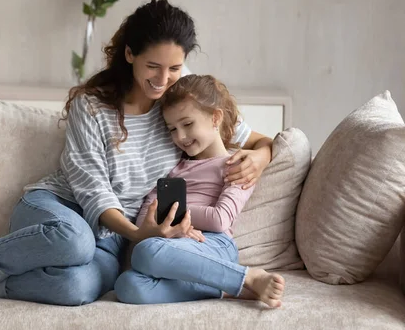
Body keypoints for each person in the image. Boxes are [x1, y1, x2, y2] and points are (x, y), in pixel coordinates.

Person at [0, 0, 274, 306]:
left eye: (174, 68)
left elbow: (253, 137)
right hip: (61, 208)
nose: (162, 79)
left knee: (76, 288)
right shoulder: (92, 107)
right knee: (75, 241)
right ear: (129, 55)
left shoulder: (179, 107)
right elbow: (92, 190)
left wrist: (260, 157)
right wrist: (139, 232)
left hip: (113, 237)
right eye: (152, 66)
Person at [114, 74, 285, 308]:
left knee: (145, 252)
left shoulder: (237, 165)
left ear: (215, 118)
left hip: (214, 244)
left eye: (187, 124)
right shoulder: (171, 168)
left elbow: (219, 219)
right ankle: (226, 290)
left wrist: (175, 217)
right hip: (172, 244)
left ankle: (248, 277)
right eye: (172, 129)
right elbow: (146, 218)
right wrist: (175, 229)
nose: (180, 137)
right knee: (127, 284)